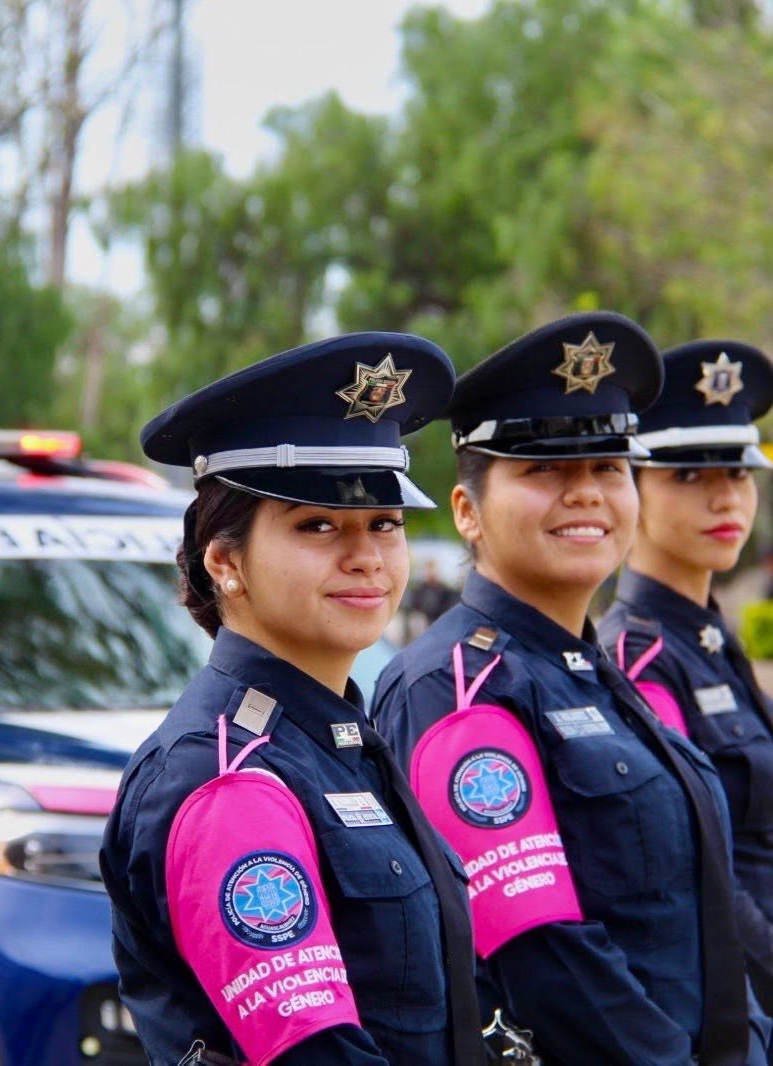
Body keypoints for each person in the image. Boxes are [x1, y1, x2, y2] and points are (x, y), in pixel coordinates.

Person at [372, 311, 769, 1065]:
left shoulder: (590, 665)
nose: (585, 493)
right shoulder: (456, 688)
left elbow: (702, 915)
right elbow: (546, 960)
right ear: (467, 512)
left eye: (607, 468)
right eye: (545, 470)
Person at [101, 333, 486, 1065]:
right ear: (226, 561)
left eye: (385, 524)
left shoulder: (334, 734)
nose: (366, 556)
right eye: (318, 525)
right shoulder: (230, 779)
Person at [596, 340, 773, 1066]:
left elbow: (765, 861)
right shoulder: (638, 660)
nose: (726, 498)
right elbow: (697, 874)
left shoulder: (713, 641)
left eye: (739, 473)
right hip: (721, 1022)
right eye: (689, 475)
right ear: (631, 488)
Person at [404, 558, 460, 639]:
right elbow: (414, 606)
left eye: (432, 570)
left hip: (438, 620)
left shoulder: (443, 589)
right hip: (423, 622)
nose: (430, 573)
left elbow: (448, 605)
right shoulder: (420, 589)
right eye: (427, 570)